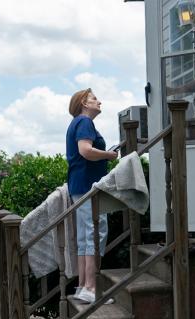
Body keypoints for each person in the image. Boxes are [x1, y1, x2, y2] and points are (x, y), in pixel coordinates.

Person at [66, 88, 118, 304]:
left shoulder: (76, 123)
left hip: (79, 185)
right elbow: (86, 150)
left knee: (86, 236)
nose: (99, 101)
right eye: (94, 99)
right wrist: (109, 155)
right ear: (84, 104)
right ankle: (91, 287)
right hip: (88, 185)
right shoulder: (85, 122)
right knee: (95, 233)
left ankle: (82, 286)